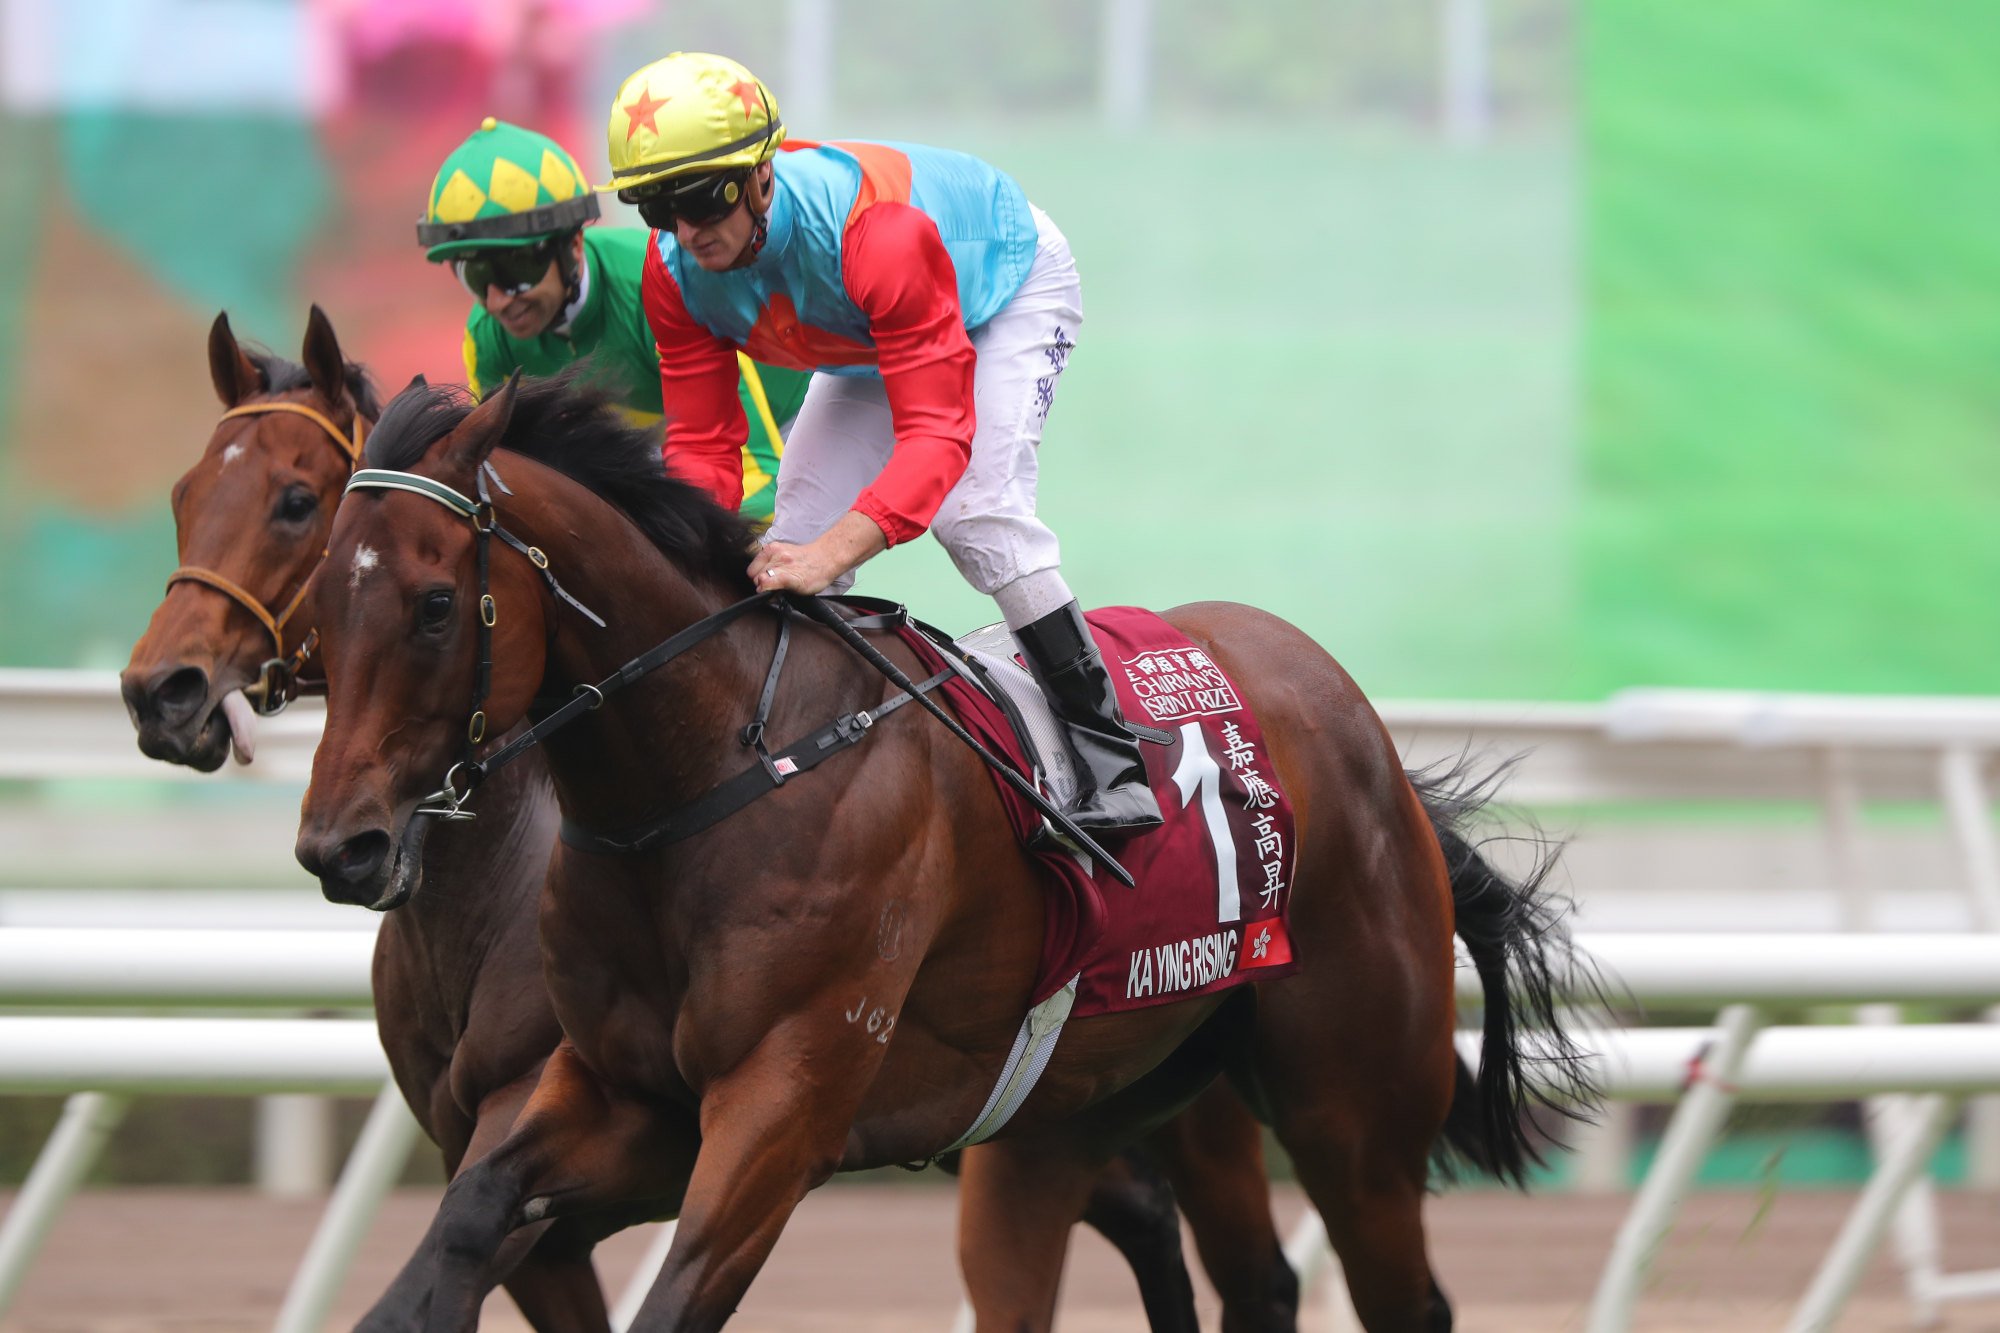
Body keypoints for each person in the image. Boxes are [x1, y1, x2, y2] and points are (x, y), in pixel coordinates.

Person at [607, 52, 1160, 836]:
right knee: (788, 543)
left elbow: (938, 440)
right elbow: (702, 446)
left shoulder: (879, 236)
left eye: (702, 201)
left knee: (978, 515)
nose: (687, 233)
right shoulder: (675, 273)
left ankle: (1117, 766)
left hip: (1003, 290)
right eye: (658, 210)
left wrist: (835, 552)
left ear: (762, 176)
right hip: (869, 333)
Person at [417, 116, 810, 521]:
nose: (497, 301)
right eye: (476, 277)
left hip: (790, 420)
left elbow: (759, 482)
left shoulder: (655, 288)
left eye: (515, 271)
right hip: (664, 445)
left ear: (572, 245)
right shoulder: (487, 338)